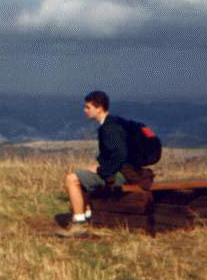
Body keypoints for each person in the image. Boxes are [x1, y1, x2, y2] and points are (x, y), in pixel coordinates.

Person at [56, 90, 150, 237]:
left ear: (99, 108)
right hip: (127, 171)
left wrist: (102, 171)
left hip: (122, 175)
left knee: (71, 179)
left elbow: (120, 155)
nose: (85, 110)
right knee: (84, 173)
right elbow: (113, 153)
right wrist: (98, 166)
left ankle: (79, 225)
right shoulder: (112, 123)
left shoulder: (109, 128)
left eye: (88, 107)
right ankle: (88, 215)